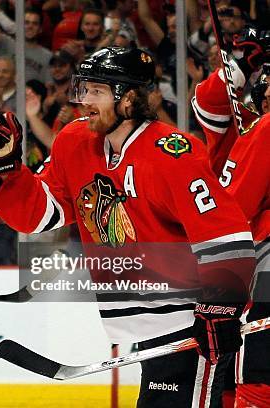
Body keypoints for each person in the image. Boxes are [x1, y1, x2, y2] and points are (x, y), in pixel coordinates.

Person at [0, 47, 255, 407]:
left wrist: (220, 306)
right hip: (148, 331)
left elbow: (225, 234)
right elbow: (39, 215)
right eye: (84, 89)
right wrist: (5, 162)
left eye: (97, 91)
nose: (84, 100)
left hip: (188, 324)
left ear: (129, 99)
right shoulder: (74, 143)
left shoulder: (173, 153)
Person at [192, 29, 270, 408]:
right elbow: (207, 100)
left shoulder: (262, 129)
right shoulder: (244, 125)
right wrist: (240, 64)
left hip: (243, 252)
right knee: (226, 360)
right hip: (234, 251)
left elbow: (238, 207)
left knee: (249, 358)